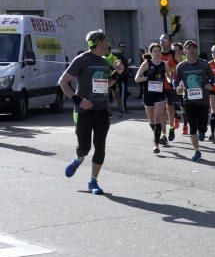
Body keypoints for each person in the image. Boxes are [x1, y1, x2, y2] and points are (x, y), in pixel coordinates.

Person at [59, 30, 125, 195]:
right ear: (98, 43)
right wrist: (77, 100)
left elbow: (106, 84)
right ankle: (78, 159)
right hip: (83, 111)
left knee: (100, 147)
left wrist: (117, 73)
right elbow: (63, 82)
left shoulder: (104, 61)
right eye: (105, 41)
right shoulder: (82, 60)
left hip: (102, 110)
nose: (108, 44)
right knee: (84, 147)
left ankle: (93, 181)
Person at [173, 40, 215, 161]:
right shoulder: (181, 66)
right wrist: (177, 87)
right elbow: (175, 81)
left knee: (202, 125)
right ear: (184, 51)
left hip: (203, 100)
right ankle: (197, 151)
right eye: (189, 48)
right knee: (192, 126)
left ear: (197, 50)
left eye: (194, 48)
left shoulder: (204, 64)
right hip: (188, 100)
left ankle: (202, 131)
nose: (191, 50)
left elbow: (212, 78)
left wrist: (210, 85)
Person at [133, 43, 168, 153]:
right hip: (148, 95)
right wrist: (148, 78)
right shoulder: (146, 63)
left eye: (159, 51)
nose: (157, 53)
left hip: (160, 95)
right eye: (155, 51)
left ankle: (156, 145)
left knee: (157, 120)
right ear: (151, 53)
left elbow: (170, 77)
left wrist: (172, 81)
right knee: (152, 121)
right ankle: (158, 136)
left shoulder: (164, 64)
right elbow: (137, 78)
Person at [159, 34, 180, 144]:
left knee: (170, 110)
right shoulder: (157, 53)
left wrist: (176, 79)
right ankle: (163, 135)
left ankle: (171, 128)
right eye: (161, 39)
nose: (162, 41)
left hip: (170, 86)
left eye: (165, 39)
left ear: (170, 42)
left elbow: (181, 67)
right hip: (158, 86)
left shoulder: (174, 54)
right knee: (161, 111)